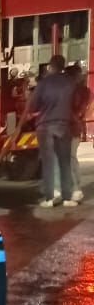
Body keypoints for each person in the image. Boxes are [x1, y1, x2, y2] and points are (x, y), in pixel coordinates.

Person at [9, 54, 78, 207]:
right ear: (63, 66)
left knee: (48, 161)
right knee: (64, 161)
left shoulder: (43, 84)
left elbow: (32, 106)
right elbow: (75, 104)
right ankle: (67, 197)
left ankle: (51, 197)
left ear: (50, 66)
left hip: (45, 126)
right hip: (64, 125)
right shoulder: (70, 83)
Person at [67, 62, 90, 203]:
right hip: (74, 128)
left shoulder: (78, 92)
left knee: (69, 159)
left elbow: (77, 110)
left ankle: (75, 189)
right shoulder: (83, 91)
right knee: (71, 158)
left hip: (71, 128)